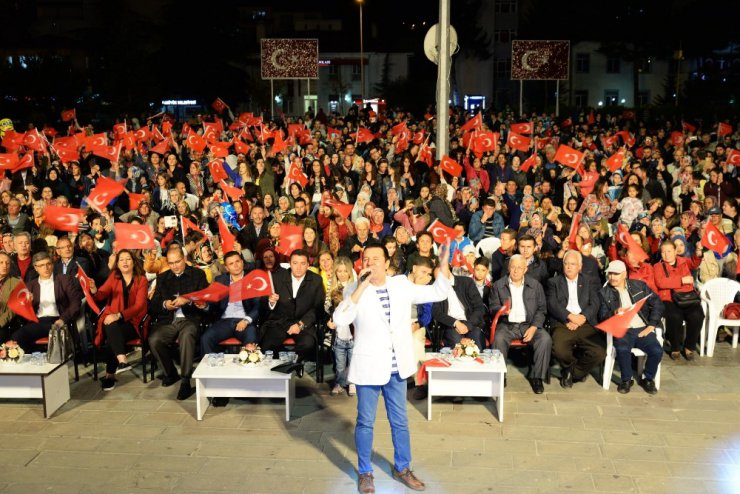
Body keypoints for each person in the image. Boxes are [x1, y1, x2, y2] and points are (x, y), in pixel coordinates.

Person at [333, 240, 453, 493]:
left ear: (387, 263)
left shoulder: (400, 284)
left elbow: (438, 292)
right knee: (365, 421)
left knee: (400, 421)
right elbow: (340, 318)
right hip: (368, 367)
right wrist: (361, 287)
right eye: (366, 260)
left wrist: (442, 262)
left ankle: (403, 468)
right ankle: (365, 472)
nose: (370, 263)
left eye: (376, 259)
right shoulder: (354, 289)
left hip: (396, 366)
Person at [148, 244, 209, 400]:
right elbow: (152, 305)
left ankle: (186, 380)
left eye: (177, 262)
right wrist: (164, 304)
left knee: (187, 336)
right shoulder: (162, 278)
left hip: (190, 319)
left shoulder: (198, 275)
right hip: (169, 320)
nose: (174, 266)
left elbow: (206, 298)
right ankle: (170, 373)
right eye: (171, 263)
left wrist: (188, 300)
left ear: (184, 259)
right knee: (154, 340)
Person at [598, 260, 664, 394]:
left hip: (642, 327)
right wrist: (614, 313)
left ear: (624, 275)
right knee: (622, 348)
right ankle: (626, 379)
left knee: (656, 351)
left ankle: (648, 378)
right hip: (623, 329)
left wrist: (651, 324)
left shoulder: (639, 286)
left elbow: (657, 303)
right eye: (609, 273)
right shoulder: (604, 293)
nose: (612, 277)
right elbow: (602, 315)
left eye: (616, 274)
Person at [489, 254, 551, 394]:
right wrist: (501, 311)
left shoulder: (535, 285)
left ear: (525, 269)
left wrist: (534, 327)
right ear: (509, 268)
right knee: (498, 339)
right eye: (513, 267)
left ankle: (537, 377)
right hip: (507, 325)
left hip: (528, 324)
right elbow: (492, 307)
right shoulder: (498, 285)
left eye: (519, 267)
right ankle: (500, 375)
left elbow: (542, 309)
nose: (516, 270)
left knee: (545, 339)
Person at [89, 250, 148, 391]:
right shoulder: (114, 277)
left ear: (134, 262)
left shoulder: (142, 280)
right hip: (115, 320)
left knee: (111, 333)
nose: (125, 262)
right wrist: (94, 289)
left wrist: (119, 315)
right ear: (117, 263)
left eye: (128, 259)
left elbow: (139, 306)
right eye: (121, 260)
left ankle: (110, 375)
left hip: (134, 322)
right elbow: (100, 295)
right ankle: (122, 361)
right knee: (111, 324)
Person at [547, 251, 605, 388]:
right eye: (566, 264)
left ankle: (572, 372)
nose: (569, 267)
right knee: (559, 349)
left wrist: (582, 317)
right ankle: (573, 368)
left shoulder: (589, 281)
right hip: (564, 323)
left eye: (573, 264)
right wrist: (570, 316)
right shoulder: (553, 282)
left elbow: (595, 303)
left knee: (599, 351)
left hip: (585, 323)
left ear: (580, 266)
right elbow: (552, 304)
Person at [259, 249, 325, 364]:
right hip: (280, 321)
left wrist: (300, 324)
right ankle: (290, 363)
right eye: (295, 263)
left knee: (308, 343)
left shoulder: (316, 280)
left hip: (303, 322)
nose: (298, 267)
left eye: (302, 263)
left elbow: (317, 308)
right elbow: (264, 303)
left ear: (308, 265)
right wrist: (271, 301)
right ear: (290, 263)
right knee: (267, 345)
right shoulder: (277, 277)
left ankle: (289, 364)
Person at [10, 252, 82, 351]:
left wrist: (63, 319)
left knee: (19, 335)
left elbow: (76, 302)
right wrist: (28, 304)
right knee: (17, 337)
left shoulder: (64, 280)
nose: (46, 268)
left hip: (58, 320)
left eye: (48, 264)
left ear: (52, 264)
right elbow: (22, 313)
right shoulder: (31, 285)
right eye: (41, 265)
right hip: (37, 322)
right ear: (35, 267)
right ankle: (34, 361)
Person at [653, 239, 705, 360]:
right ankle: (675, 347)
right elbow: (661, 283)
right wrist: (681, 280)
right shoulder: (657, 266)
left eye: (669, 251)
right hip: (668, 298)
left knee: (697, 315)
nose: (666, 254)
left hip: (687, 297)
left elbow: (694, 262)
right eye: (663, 252)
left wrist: (698, 251)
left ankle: (689, 346)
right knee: (674, 316)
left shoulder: (684, 261)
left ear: (676, 251)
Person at [432, 272, 486, 351]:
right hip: (451, 324)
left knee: (476, 340)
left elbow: (479, 308)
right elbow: (436, 312)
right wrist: (456, 322)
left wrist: (468, 325)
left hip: (471, 322)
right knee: (457, 344)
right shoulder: (436, 288)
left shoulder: (467, 282)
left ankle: (479, 362)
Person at [0, 252, 21, 342]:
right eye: (1, 263)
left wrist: (0, 322)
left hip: (4, 323)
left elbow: (13, 308)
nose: (5, 266)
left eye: (7, 263)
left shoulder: (16, 283)